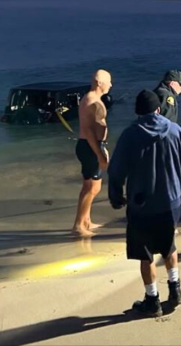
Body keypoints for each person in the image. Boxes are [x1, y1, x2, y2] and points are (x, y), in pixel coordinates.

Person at [108, 90, 181, 317]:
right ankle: (175, 289)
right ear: (158, 109)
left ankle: (152, 299)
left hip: (141, 204)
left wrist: (116, 195)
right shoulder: (176, 131)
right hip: (170, 200)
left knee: (145, 254)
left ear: (138, 112)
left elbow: (116, 170)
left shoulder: (130, 135)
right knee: (169, 246)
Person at [73, 69, 112, 238]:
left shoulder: (95, 99)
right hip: (89, 146)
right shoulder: (90, 100)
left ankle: (87, 220)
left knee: (89, 186)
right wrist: (99, 153)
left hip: (92, 145)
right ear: (99, 83)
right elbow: (89, 131)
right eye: (108, 82)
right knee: (93, 188)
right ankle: (79, 225)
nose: (110, 85)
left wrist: (102, 148)